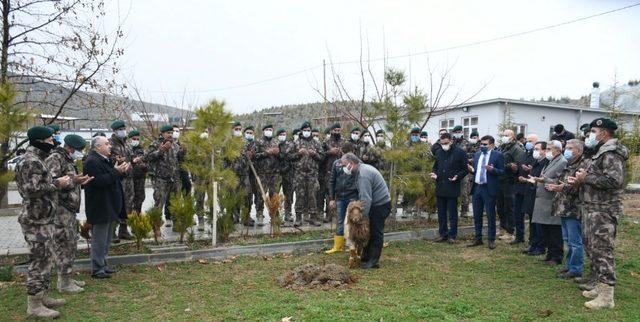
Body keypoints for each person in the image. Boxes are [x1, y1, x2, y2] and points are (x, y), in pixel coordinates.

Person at [568, 118, 628, 309]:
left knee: (602, 250)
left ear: (604, 133)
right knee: (592, 248)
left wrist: (587, 178)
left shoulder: (611, 152)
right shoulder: (600, 152)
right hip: (593, 207)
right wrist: (581, 181)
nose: (590, 135)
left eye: (593, 130)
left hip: (604, 209)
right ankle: (599, 286)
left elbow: (615, 180)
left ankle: (607, 296)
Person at [16, 126, 72, 318]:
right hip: (35, 220)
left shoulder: (38, 159)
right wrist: (57, 184)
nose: (53, 142)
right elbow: (32, 189)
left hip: (44, 217)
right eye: (49, 139)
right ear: (39, 140)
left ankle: (43, 296)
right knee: (38, 261)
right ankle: (34, 305)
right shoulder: (30, 161)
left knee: (46, 258)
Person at [45, 134, 93, 294]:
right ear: (70, 148)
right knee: (64, 245)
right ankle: (63, 282)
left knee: (70, 243)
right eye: (79, 150)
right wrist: (75, 181)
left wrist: (79, 182)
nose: (80, 153)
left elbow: (68, 180)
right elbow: (52, 182)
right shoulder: (55, 158)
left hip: (69, 209)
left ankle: (67, 278)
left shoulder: (66, 158)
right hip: (61, 209)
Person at [83, 136, 130, 279]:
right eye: (106, 144)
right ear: (97, 147)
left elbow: (112, 178)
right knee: (99, 239)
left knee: (107, 239)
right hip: (100, 206)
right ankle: (97, 269)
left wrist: (120, 171)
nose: (109, 146)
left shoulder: (105, 159)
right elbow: (99, 182)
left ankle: (103, 264)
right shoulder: (92, 161)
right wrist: (116, 172)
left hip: (110, 205)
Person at [340, 152, 391, 269]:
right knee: (371, 231)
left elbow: (366, 199)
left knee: (376, 232)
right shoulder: (360, 170)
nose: (343, 168)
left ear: (351, 164)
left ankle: (374, 261)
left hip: (380, 205)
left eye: (344, 165)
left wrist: (362, 218)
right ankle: (366, 256)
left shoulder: (363, 174)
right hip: (376, 203)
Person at [546, 139, 586, 279]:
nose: (566, 150)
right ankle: (569, 266)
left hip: (574, 208)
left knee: (575, 242)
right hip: (563, 207)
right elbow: (562, 181)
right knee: (568, 240)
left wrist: (561, 187)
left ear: (579, 151)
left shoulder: (583, 165)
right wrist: (556, 185)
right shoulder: (569, 164)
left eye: (570, 148)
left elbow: (579, 187)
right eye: (566, 147)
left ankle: (576, 269)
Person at [531, 140, 567, 266]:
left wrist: (544, 179)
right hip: (544, 198)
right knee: (546, 228)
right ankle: (550, 254)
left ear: (557, 149)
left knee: (554, 230)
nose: (547, 151)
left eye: (549, 149)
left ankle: (557, 256)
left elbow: (560, 180)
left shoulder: (562, 161)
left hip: (552, 199)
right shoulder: (553, 160)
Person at [467, 135, 505, 249]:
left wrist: (492, 169)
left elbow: (502, 171)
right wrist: (472, 170)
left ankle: (491, 239)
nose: (482, 146)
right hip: (477, 187)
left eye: (485, 144)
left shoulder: (498, 155)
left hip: (489, 188)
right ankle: (478, 238)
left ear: (491, 145)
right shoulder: (477, 154)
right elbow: (477, 171)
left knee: (490, 215)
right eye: (481, 144)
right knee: (477, 214)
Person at [430, 133, 468, 244]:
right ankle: (443, 234)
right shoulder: (439, 152)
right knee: (441, 214)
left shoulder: (460, 152)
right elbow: (435, 167)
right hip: (440, 186)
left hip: (452, 186)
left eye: (446, 143)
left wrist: (457, 176)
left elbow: (465, 169)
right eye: (442, 144)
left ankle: (452, 235)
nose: (444, 145)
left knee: (452, 214)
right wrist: (435, 174)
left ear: (451, 141)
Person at [325, 142, 359, 254]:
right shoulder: (336, 163)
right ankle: (338, 246)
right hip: (340, 198)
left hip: (353, 197)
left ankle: (353, 245)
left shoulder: (358, 163)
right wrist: (331, 198)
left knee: (354, 221)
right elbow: (332, 181)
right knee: (339, 221)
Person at [289, 121, 325, 226]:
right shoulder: (296, 143)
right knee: (300, 195)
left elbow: (322, 157)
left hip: (312, 174)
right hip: (299, 174)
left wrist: (314, 154)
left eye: (308, 130)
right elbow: (289, 157)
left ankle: (313, 217)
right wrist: (298, 154)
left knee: (312, 195)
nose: (307, 132)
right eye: (305, 130)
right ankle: (298, 217)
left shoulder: (316, 143)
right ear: (301, 131)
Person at [145, 125, 181, 227]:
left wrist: (183, 153)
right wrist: (161, 150)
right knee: (159, 203)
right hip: (161, 179)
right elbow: (147, 157)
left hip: (174, 179)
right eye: (168, 133)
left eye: (171, 132)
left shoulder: (175, 144)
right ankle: (156, 228)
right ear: (162, 134)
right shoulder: (155, 144)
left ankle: (178, 226)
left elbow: (179, 160)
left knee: (176, 203)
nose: (170, 135)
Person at [108, 120, 136, 240]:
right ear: (115, 131)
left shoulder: (127, 143)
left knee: (128, 204)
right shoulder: (110, 143)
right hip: (117, 179)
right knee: (116, 204)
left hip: (129, 179)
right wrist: (117, 160)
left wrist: (135, 160)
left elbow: (131, 157)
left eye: (124, 129)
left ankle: (123, 230)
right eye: (121, 129)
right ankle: (112, 231)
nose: (123, 131)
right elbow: (108, 159)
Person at [520, 141, 549, 255]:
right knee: (532, 221)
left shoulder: (546, 162)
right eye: (535, 149)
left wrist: (532, 180)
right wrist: (528, 180)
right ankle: (533, 244)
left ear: (544, 151)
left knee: (538, 223)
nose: (535, 151)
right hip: (531, 193)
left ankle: (540, 246)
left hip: (538, 195)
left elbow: (541, 179)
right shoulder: (536, 161)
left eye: (537, 149)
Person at [496, 129, 525, 240]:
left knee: (510, 207)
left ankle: (510, 231)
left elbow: (517, 165)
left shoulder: (517, 149)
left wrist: (506, 166)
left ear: (513, 137)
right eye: (503, 135)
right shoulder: (502, 147)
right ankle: (503, 228)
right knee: (500, 207)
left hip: (510, 181)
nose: (504, 137)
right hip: (500, 180)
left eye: (507, 135)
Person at [253, 124, 281, 226]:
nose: (269, 131)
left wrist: (278, 153)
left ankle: (274, 215)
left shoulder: (276, 141)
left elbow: (282, 156)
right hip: (262, 173)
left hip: (274, 173)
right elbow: (255, 156)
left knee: (274, 195)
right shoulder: (258, 142)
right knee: (261, 194)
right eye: (267, 129)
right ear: (263, 131)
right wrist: (266, 152)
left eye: (270, 129)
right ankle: (260, 214)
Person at [321, 123, 345, 223]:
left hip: (342, 171)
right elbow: (320, 156)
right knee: (329, 194)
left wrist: (342, 153)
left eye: (339, 131)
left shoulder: (344, 141)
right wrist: (329, 152)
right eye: (335, 131)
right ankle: (329, 215)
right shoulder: (326, 142)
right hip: (329, 171)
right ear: (331, 131)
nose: (337, 132)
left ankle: (340, 214)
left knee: (341, 192)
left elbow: (350, 154)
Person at [451, 125, 471, 217]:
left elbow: (472, 156)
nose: (458, 133)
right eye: (456, 132)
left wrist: (466, 161)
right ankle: (453, 209)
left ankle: (464, 211)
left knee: (464, 191)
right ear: (453, 133)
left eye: (459, 132)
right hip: (453, 170)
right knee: (452, 190)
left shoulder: (467, 143)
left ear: (462, 132)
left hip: (463, 170)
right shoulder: (451, 143)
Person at [276, 128, 295, 225]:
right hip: (276, 174)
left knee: (288, 194)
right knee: (275, 194)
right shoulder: (274, 145)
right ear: (277, 136)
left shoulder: (290, 145)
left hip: (288, 174)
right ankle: (275, 215)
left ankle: (288, 213)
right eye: (281, 134)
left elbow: (293, 156)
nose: (282, 136)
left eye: (284, 134)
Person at [128, 130, 147, 215]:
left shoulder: (142, 150)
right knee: (128, 199)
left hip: (140, 178)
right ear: (129, 139)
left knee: (139, 198)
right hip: (129, 178)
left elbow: (148, 162)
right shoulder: (126, 149)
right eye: (134, 139)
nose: (136, 140)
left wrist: (144, 166)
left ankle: (137, 217)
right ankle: (124, 221)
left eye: (137, 139)